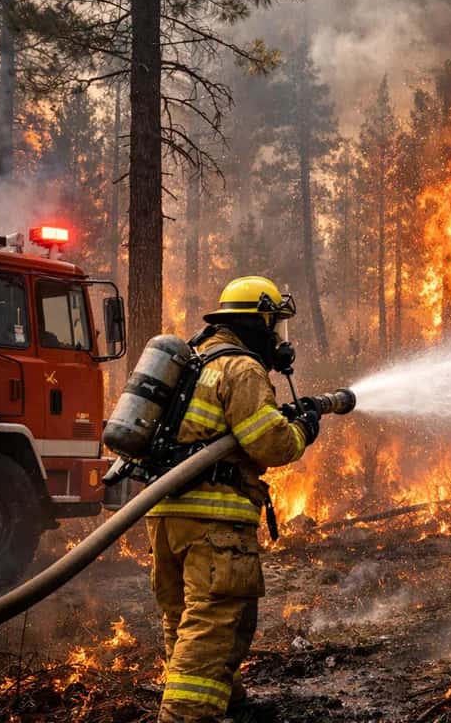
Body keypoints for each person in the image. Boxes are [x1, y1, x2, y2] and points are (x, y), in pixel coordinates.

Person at [146, 276, 321, 722]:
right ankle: (185, 716)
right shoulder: (240, 368)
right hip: (214, 519)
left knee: (187, 619)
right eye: (275, 325)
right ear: (258, 322)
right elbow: (270, 444)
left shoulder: (193, 361)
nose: (280, 339)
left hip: (167, 514)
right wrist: (302, 430)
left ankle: (226, 699)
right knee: (212, 622)